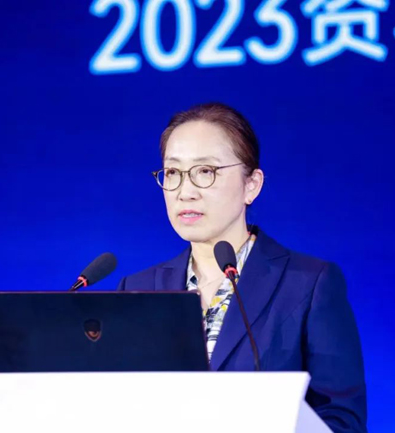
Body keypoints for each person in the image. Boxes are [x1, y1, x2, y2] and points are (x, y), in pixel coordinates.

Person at [117, 102, 367, 433]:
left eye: (205, 171)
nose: (185, 192)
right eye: (173, 173)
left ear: (252, 184)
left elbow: (341, 421)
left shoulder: (308, 284)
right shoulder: (136, 291)